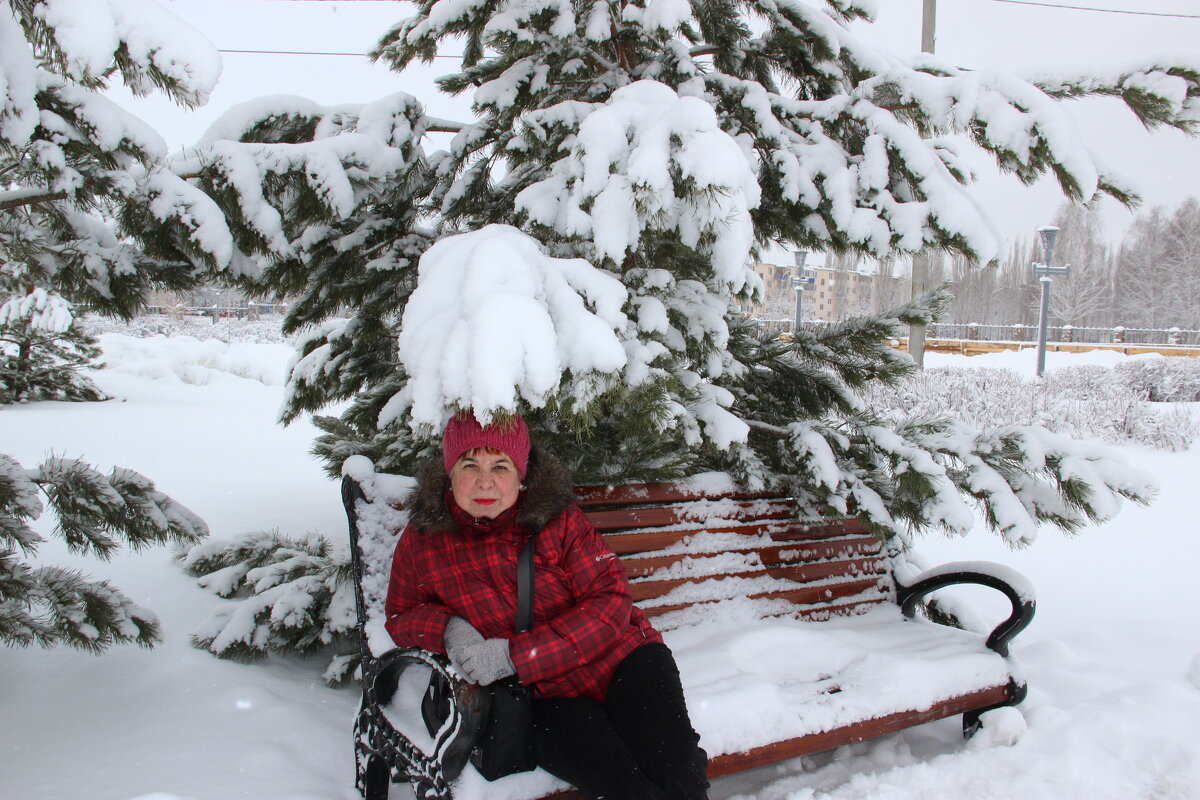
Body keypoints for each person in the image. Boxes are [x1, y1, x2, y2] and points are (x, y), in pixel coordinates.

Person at [384, 413, 710, 800]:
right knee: (627, 787)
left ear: (521, 476)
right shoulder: (424, 539)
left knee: (678, 773)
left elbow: (610, 601)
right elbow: (401, 614)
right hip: (544, 699)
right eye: (469, 465)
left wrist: (514, 655)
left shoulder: (558, 519)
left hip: (626, 661)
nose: (485, 481)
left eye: (500, 466)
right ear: (449, 474)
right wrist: (448, 627)